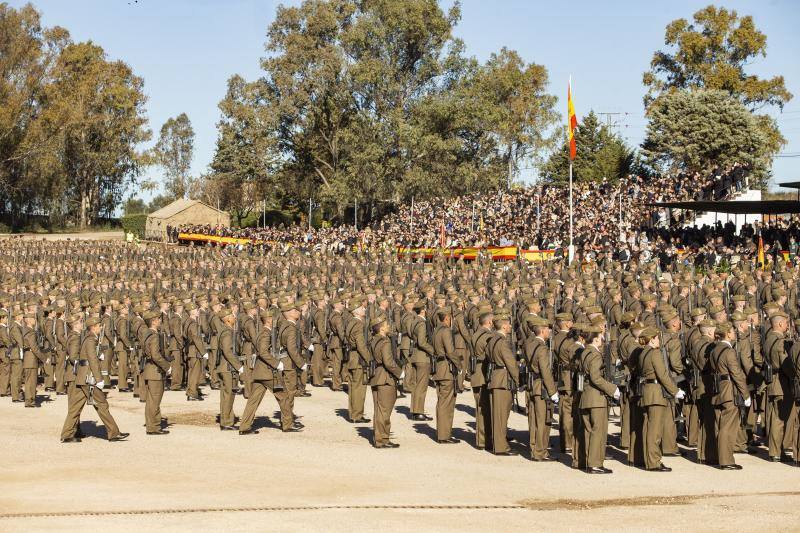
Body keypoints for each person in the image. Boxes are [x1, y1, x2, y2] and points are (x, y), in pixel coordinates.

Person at [59, 316, 128, 442]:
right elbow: (92, 360)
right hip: (88, 377)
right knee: (102, 404)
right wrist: (99, 379)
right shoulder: (90, 340)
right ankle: (113, 433)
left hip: (82, 377)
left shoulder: (88, 338)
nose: (101, 328)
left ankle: (67, 435)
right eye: (99, 326)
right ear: (94, 327)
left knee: (75, 407)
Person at [638, 327, 683, 472]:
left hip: (647, 392)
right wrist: (675, 391)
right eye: (657, 338)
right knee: (655, 431)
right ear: (651, 339)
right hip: (656, 394)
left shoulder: (643, 353)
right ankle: (654, 462)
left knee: (648, 429)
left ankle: (649, 459)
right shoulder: (655, 353)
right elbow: (662, 375)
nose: (659, 340)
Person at [577, 324, 620, 474]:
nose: (602, 338)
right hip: (596, 398)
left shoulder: (584, 352)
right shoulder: (595, 355)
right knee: (598, 432)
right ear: (595, 339)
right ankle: (595, 464)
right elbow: (595, 377)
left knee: (589, 432)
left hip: (586, 397)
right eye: (600, 336)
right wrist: (612, 389)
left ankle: (589, 461)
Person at [709, 322, 750, 470]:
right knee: (728, 427)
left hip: (718, 390)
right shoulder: (729, 351)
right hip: (729, 391)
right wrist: (745, 394)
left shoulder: (714, 350)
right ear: (727, 333)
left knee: (720, 425)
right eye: (732, 330)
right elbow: (737, 374)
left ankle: (720, 457)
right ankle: (726, 461)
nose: (734, 332)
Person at [524, 315, 559, 461]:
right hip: (541, 387)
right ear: (543, 330)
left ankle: (534, 448)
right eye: (548, 329)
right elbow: (545, 371)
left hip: (532, 384)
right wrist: (552, 391)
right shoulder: (543, 349)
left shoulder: (529, 344)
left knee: (533, 420)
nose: (550, 332)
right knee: (543, 420)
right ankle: (540, 452)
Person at [368, 314, 403, 448]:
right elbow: (388, 362)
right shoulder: (385, 342)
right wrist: (400, 373)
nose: (388, 326)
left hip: (376, 376)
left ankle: (379, 438)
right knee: (385, 411)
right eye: (386, 324)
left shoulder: (374, 340)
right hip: (385, 379)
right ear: (381, 328)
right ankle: (383, 439)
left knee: (378, 410)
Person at [488, 311, 519, 456]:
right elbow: (511, 364)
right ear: (504, 326)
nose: (510, 326)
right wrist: (518, 380)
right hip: (502, 380)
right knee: (501, 416)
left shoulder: (492, 339)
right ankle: (501, 447)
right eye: (509, 324)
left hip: (496, 377)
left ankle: (498, 443)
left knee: (498, 415)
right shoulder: (502, 342)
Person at [432, 308, 460, 444]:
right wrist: (459, 365)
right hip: (446, 369)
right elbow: (450, 351)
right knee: (446, 403)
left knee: (442, 402)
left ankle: (443, 433)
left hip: (439, 368)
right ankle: (444, 435)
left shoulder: (436, 330)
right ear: (448, 318)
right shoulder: (446, 331)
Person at [142, 310, 171, 435]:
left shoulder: (146, 334)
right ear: (153, 321)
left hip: (150, 370)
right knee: (155, 401)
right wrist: (167, 367)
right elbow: (156, 355)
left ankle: (151, 424)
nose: (160, 321)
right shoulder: (154, 336)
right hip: (155, 371)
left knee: (151, 401)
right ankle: (153, 427)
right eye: (158, 319)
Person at [470, 306, 495, 451]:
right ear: (489, 322)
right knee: (485, 409)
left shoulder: (475, 334)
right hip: (483, 374)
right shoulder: (487, 336)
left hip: (476, 374)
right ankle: (484, 440)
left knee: (481, 409)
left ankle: (482, 439)